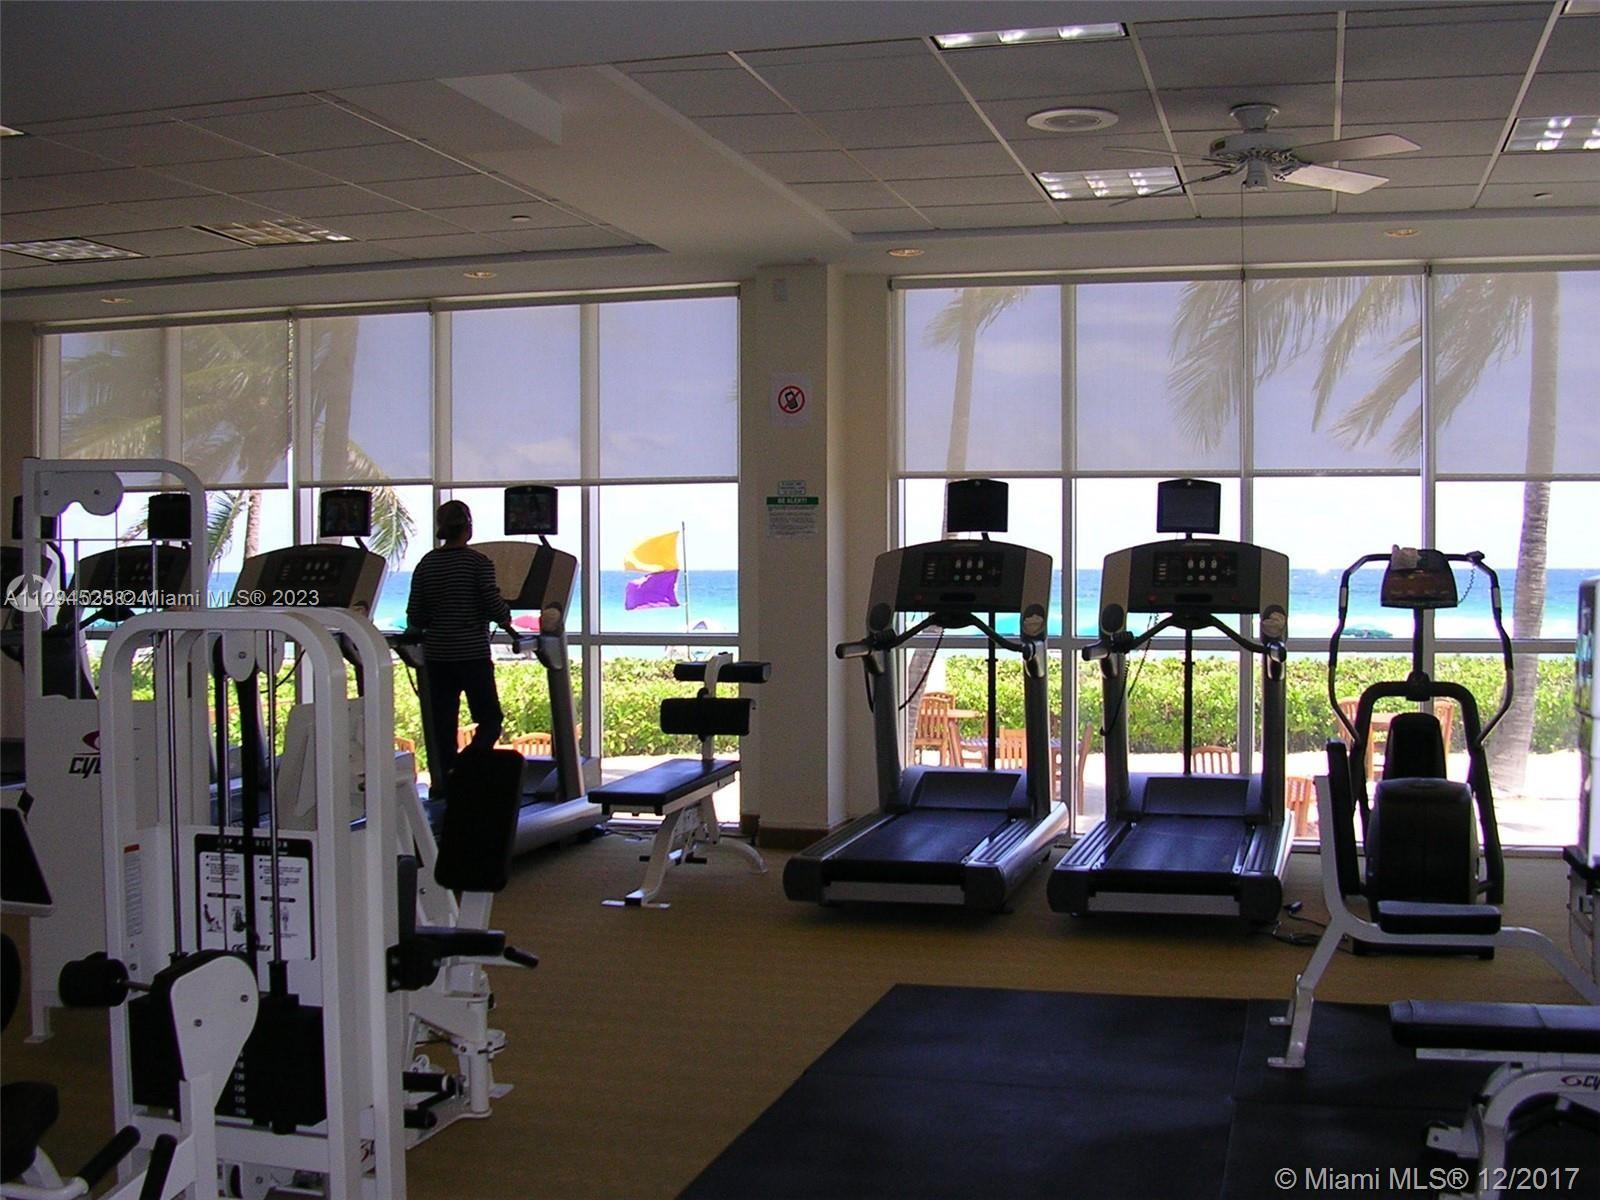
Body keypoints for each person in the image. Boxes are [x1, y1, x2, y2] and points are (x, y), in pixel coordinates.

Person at [406, 500, 516, 796]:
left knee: (442, 726)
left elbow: (416, 614)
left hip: (437, 657)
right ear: (468, 527)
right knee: (490, 720)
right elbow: (492, 603)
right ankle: (466, 768)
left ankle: (444, 782)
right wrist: (506, 618)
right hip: (471, 655)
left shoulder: (427, 564)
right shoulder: (478, 563)